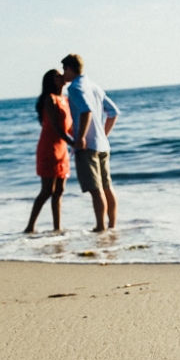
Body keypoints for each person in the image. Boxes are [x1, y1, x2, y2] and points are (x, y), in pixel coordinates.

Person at [61, 53, 120, 232]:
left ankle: (100, 227)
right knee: (107, 187)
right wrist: (103, 134)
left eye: (64, 70)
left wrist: (80, 139)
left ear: (70, 69)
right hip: (102, 144)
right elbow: (113, 112)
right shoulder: (93, 85)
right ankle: (112, 226)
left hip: (88, 147)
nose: (64, 74)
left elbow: (86, 111)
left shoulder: (75, 88)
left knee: (96, 189)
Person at [24, 69, 75, 233]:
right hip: (49, 148)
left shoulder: (65, 100)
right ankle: (30, 226)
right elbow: (57, 128)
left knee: (60, 190)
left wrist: (81, 139)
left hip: (62, 149)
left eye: (61, 74)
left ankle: (57, 227)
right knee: (47, 190)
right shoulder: (50, 99)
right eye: (57, 76)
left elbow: (70, 126)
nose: (61, 77)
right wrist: (74, 143)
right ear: (50, 81)